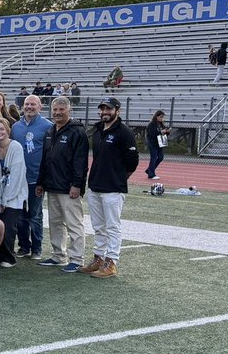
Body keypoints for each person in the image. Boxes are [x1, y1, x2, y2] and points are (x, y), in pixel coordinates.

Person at [80, 96, 139, 278]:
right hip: (95, 185)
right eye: (103, 109)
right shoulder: (97, 130)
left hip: (113, 188)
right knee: (98, 226)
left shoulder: (124, 132)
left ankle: (111, 262)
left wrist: (119, 176)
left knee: (112, 226)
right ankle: (98, 258)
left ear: (117, 111)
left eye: (109, 109)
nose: (105, 112)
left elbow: (133, 161)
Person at [36, 97, 88, 272]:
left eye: (61, 110)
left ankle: (77, 259)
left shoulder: (77, 132)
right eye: (55, 109)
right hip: (52, 185)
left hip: (68, 187)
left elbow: (81, 161)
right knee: (55, 223)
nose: (57, 113)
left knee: (74, 224)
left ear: (69, 111)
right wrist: (41, 181)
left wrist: (77, 184)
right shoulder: (51, 131)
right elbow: (45, 159)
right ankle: (59, 255)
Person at [11, 94, 51, 260]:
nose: (29, 107)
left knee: (35, 215)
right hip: (19, 178)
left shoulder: (48, 126)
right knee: (20, 215)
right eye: (27, 104)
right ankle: (23, 246)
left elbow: (49, 153)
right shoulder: (15, 127)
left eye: (33, 104)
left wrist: (45, 177)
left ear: (40, 107)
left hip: (36, 178)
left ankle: (37, 247)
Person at [0, 117, 26, 265]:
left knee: (9, 226)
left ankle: (8, 257)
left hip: (14, 195)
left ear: (8, 131)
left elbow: (16, 176)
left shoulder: (16, 147)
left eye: (2, 129)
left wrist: (5, 200)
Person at [145, 110, 170, 180]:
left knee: (160, 157)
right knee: (154, 157)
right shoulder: (152, 124)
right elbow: (152, 134)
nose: (162, 119)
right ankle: (151, 174)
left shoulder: (161, 124)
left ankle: (149, 170)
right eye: (160, 117)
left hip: (160, 142)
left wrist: (167, 132)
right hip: (152, 143)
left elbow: (164, 133)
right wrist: (161, 132)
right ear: (156, 116)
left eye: (163, 117)